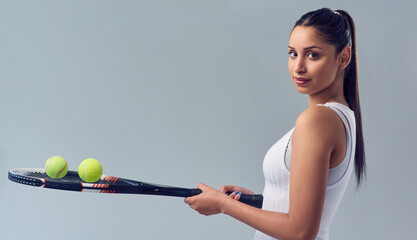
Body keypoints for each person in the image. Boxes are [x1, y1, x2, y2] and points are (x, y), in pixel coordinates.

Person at [185, 8, 366, 240]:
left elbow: (301, 232)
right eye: (292, 53)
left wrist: (223, 204)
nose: (298, 67)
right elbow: (302, 215)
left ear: (343, 57)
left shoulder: (317, 120)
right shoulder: (342, 117)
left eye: (312, 55)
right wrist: (259, 201)